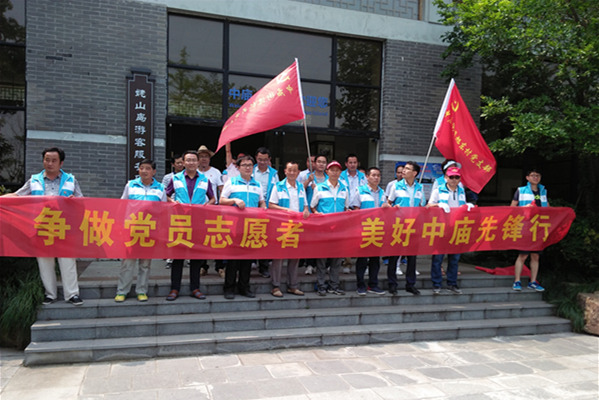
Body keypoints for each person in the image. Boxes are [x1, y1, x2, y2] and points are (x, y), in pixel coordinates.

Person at [4, 147, 84, 305]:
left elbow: (82, 201)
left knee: (67, 262)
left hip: (64, 227)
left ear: (61, 163)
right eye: (47, 160)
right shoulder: (34, 180)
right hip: (42, 226)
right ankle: (50, 294)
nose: (50, 163)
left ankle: (72, 294)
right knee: (45, 262)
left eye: (54, 160)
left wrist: (75, 201)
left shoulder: (70, 180)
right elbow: (18, 196)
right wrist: (2, 199)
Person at [164, 150, 216, 301]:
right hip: (180, 222)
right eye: (188, 160)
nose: (191, 163)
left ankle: (195, 288)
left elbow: (212, 198)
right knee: (178, 257)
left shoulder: (205, 180)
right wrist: (173, 202)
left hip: (198, 222)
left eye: (194, 160)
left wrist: (206, 206)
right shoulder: (176, 178)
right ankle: (174, 288)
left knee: (196, 257)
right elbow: (165, 195)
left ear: (198, 162)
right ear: (183, 162)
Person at [115, 159, 167, 302]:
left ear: (154, 172)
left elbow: (163, 210)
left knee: (145, 263)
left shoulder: (160, 188)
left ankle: (141, 290)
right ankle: (122, 291)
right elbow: (122, 205)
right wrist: (120, 225)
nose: (144, 171)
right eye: (142, 168)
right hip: (131, 229)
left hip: (149, 230)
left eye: (148, 168)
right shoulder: (130, 185)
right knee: (127, 262)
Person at [219, 155, 267, 299]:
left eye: (250, 165)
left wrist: (263, 208)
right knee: (233, 259)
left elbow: (261, 202)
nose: (247, 168)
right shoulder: (231, 182)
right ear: (238, 168)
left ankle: (244, 287)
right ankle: (229, 288)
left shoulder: (257, 184)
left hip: (251, 226)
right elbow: (222, 200)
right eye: (244, 165)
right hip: (234, 226)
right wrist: (234, 200)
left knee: (247, 259)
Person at [426, 166, 475, 294]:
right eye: (451, 177)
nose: (454, 179)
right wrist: (438, 204)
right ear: (446, 178)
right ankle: (436, 284)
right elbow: (428, 205)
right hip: (441, 228)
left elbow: (461, 207)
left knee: (454, 258)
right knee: (438, 258)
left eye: (456, 177)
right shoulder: (438, 190)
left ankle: (452, 283)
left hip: (457, 228)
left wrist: (467, 206)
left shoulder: (461, 191)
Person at [268, 161, 310, 297]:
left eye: (295, 170)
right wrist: (284, 210)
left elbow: (305, 204)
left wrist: (306, 210)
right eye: (289, 170)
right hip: (282, 226)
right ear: (285, 171)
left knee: (295, 256)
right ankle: (275, 286)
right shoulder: (278, 186)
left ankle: (293, 285)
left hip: (297, 226)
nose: (292, 173)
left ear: (298, 172)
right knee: (279, 256)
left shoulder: (301, 187)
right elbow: (271, 205)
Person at [310, 160, 350, 296]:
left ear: (340, 173)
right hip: (324, 229)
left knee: (336, 259)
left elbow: (346, 207)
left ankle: (334, 285)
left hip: (339, 230)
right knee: (322, 259)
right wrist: (317, 213)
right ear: (327, 172)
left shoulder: (344, 188)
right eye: (332, 170)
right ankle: (321, 285)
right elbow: (312, 207)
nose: (334, 172)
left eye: (337, 170)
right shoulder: (319, 188)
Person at [387, 161, 426, 295]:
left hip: (413, 226)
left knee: (412, 257)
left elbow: (422, 205)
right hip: (398, 226)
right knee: (394, 256)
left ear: (414, 173)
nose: (404, 170)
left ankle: (410, 284)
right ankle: (392, 284)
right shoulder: (396, 186)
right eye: (404, 168)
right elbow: (388, 204)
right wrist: (393, 208)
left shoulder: (419, 188)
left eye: (408, 169)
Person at [350, 167, 388, 296]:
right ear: (367, 177)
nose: (376, 178)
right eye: (373, 175)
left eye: (378, 175)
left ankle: (373, 284)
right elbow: (355, 210)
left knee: (375, 260)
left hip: (377, 230)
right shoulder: (360, 191)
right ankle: (360, 285)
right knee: (362, 259)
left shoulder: (382, 192)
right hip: (364, 229)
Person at [510, 168, 549, 292]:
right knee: (523, 255)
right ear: (527, 178)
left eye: (537, 175)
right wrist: (524, 208)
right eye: (533, 175)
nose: (535, 177)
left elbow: (547, 207)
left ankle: (533, 281)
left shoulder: (543, 191)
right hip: (525, 227)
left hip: (539, 227)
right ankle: (517, 281)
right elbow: (512, 208)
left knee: (535, 256)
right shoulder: (520, 190)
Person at [197, 144, 225, 278]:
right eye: (201, 157)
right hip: (197, 209)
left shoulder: (216, 172)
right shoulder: (193, 172)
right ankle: (202, 266)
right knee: (200, 238)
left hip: (214, 209)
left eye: (206, 157)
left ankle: (220, 266)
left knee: (216, 237)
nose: (204, 159)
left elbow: (221, 190)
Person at [253, 147, 279, 278]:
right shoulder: (251, 170)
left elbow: (277, 190)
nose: (262, 162)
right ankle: (250, 262)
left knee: (265, 238)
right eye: (259, 159)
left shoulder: (274, 174)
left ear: (269, 160)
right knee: (251, 235)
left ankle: (263, 267)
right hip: (252, 208)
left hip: (267, 209)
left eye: (265, 160)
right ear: (256, 158)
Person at [300, 153, 328, 275]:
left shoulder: (329, 178)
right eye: (319, 162)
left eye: (323, 162)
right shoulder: (308, 176)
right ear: (314, 164)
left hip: (323, 212)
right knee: (311, 240)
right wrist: (308, 182)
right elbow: (299, 189)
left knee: (324, 240)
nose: (321, 164)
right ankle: (310, 264)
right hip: (310, 212)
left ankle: (323, 265)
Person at [339, 154, 367, 274]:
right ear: (346, 164)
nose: (352, 165)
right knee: (346, 238)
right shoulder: (340, 176)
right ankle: (347, 263)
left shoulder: (363, 177)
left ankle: (363, 265)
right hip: (345, 210)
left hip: (359, 210)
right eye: (350, 162)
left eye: (354, 162)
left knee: (361, 237)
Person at [161, 154, 184, 269]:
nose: (180, 165)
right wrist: (172, 201)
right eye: (177, 163)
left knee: (185, 231)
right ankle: (170, 257)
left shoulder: (187, 176)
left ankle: (187, 257)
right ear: (173, 164)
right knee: (172, 232)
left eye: (181, 162)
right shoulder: (168, 177)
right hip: (171, 208)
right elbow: (164, 192)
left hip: (185, 209)